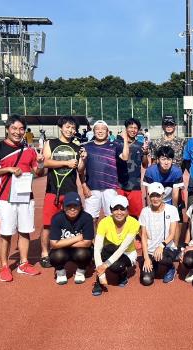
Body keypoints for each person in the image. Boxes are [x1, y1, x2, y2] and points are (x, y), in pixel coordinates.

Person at [0, 115, 44, 282]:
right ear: (8, 129)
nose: (18, 132)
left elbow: (38, 173)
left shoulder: (30, 150)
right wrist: (9, 169)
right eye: (14, 128)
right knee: (6, 233)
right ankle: (4, 267)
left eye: (21, 129)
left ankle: (23, 264)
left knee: (25, 231)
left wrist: (40, 163)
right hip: (5, 198)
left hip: (26, 197)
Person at [40, 116, 87, 268]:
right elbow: (46, 162)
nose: (70, 130)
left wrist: (83, 160)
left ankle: (70, 251)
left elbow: (79, 170)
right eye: (68, 127)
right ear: (61, 127)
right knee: (48, 224)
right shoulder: (50, 143)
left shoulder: (76, 147)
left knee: (73, 224)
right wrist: (65, 162)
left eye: (73, 128)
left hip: (70, 192)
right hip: (52, 191)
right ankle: (45, 253)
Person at [80, 120, 129, 226]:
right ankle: (92, 242)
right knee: (90, 219)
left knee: (111, 218)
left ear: (107, 131)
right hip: (92, 188)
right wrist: (83, 185)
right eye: (97, 129)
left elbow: (125, 157)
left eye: (103, 129)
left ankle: (109, 241)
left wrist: (125, 140)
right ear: (93, 131)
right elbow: (81, 169)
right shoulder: (86, 147)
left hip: (110, 188)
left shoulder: (114, 145)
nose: (100, 131)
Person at [91, 195, 140, 296]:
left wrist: (105, 265)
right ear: (111, 210)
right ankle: (98, 282)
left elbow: (123, 248)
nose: (119, 212)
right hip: (109, 250)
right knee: (102, 251)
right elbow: (97, 248)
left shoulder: (134, 223)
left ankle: (123, 273)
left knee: (117, 266)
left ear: (127, 210)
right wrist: (101, 274)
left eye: (122, 209)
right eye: (115, 209)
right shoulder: (104, 222)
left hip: (127, 253)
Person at [139, 182, 180, 285]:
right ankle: (154, 262)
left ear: (163, 195)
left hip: (167, 247)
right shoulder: (144, 211)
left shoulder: (172, 210)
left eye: (158, 195)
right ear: (148, 196)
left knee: (161, 257)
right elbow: (143, 236)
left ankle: (170, 268)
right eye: (152, 195)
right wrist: (146, 258)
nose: (155, 198)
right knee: (146, 280)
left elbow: (172, 233)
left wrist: (161, 245)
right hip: (150, 250)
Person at [49, 192, 94, 285]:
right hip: (62, 250)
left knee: (84, 253)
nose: (72, 209)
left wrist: (62, 243)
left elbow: (87, 243)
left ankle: (80, 271)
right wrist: (78, 238)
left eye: (75, 206)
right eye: (69, 206)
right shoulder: (57, 218)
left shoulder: (87, 218)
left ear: (81, 206)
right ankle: (60, 273)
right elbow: (53, 244)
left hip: (77, 249)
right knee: (56, 256)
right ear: (63, 207)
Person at [143, 146, 184, 244]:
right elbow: (148, 193)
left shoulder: (177, 171)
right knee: (151, 219)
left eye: (169, 159)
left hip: (170, 198)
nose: (166, 162)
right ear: (157, 160)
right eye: (163, 159)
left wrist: (173, 210)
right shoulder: (150, 171)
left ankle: (175, 245)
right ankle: (152, 243)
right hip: (155, 198)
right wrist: (150, 208)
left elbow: (175, 194)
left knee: (176, 220)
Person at [116, 118, 149, 219]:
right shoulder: (117, 144)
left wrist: (145, 154)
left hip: (135, 185)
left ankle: (136, 235)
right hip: (119, 185)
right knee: (118, 214)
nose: (133, 130)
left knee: (136, 216)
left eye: (136, 128)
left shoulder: (140, 146)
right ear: (126, 129)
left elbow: (145, 165)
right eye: (131, 127)